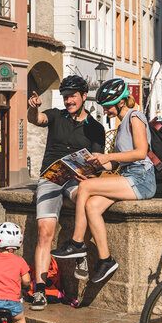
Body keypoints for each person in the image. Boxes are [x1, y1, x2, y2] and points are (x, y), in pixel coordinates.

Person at [50, 78, 156, 284]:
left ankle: (77, 243)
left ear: (121, 102)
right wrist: (94, 164)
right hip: (127, 176)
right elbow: (114, 165)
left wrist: (108, 157)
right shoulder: (122, 124)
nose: (105, 111)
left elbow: (141, 152)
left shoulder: (136, 117)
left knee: (86, 187)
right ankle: (106, 260)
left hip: (141, 179)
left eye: (108, 107)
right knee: (91, 205)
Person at [27, 75, 106, 309]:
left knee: (88, 197)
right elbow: (37, 120)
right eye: (65, 97)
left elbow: (98, 162)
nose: (68, 100)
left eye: (72, 96)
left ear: (83, 96)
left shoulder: (96, 128)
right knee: (44, 232)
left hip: (76, 180)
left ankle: (79, 250)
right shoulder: (55, 115)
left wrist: (91, 174)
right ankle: (40, 290)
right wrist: (32, 109)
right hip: (51, 178)